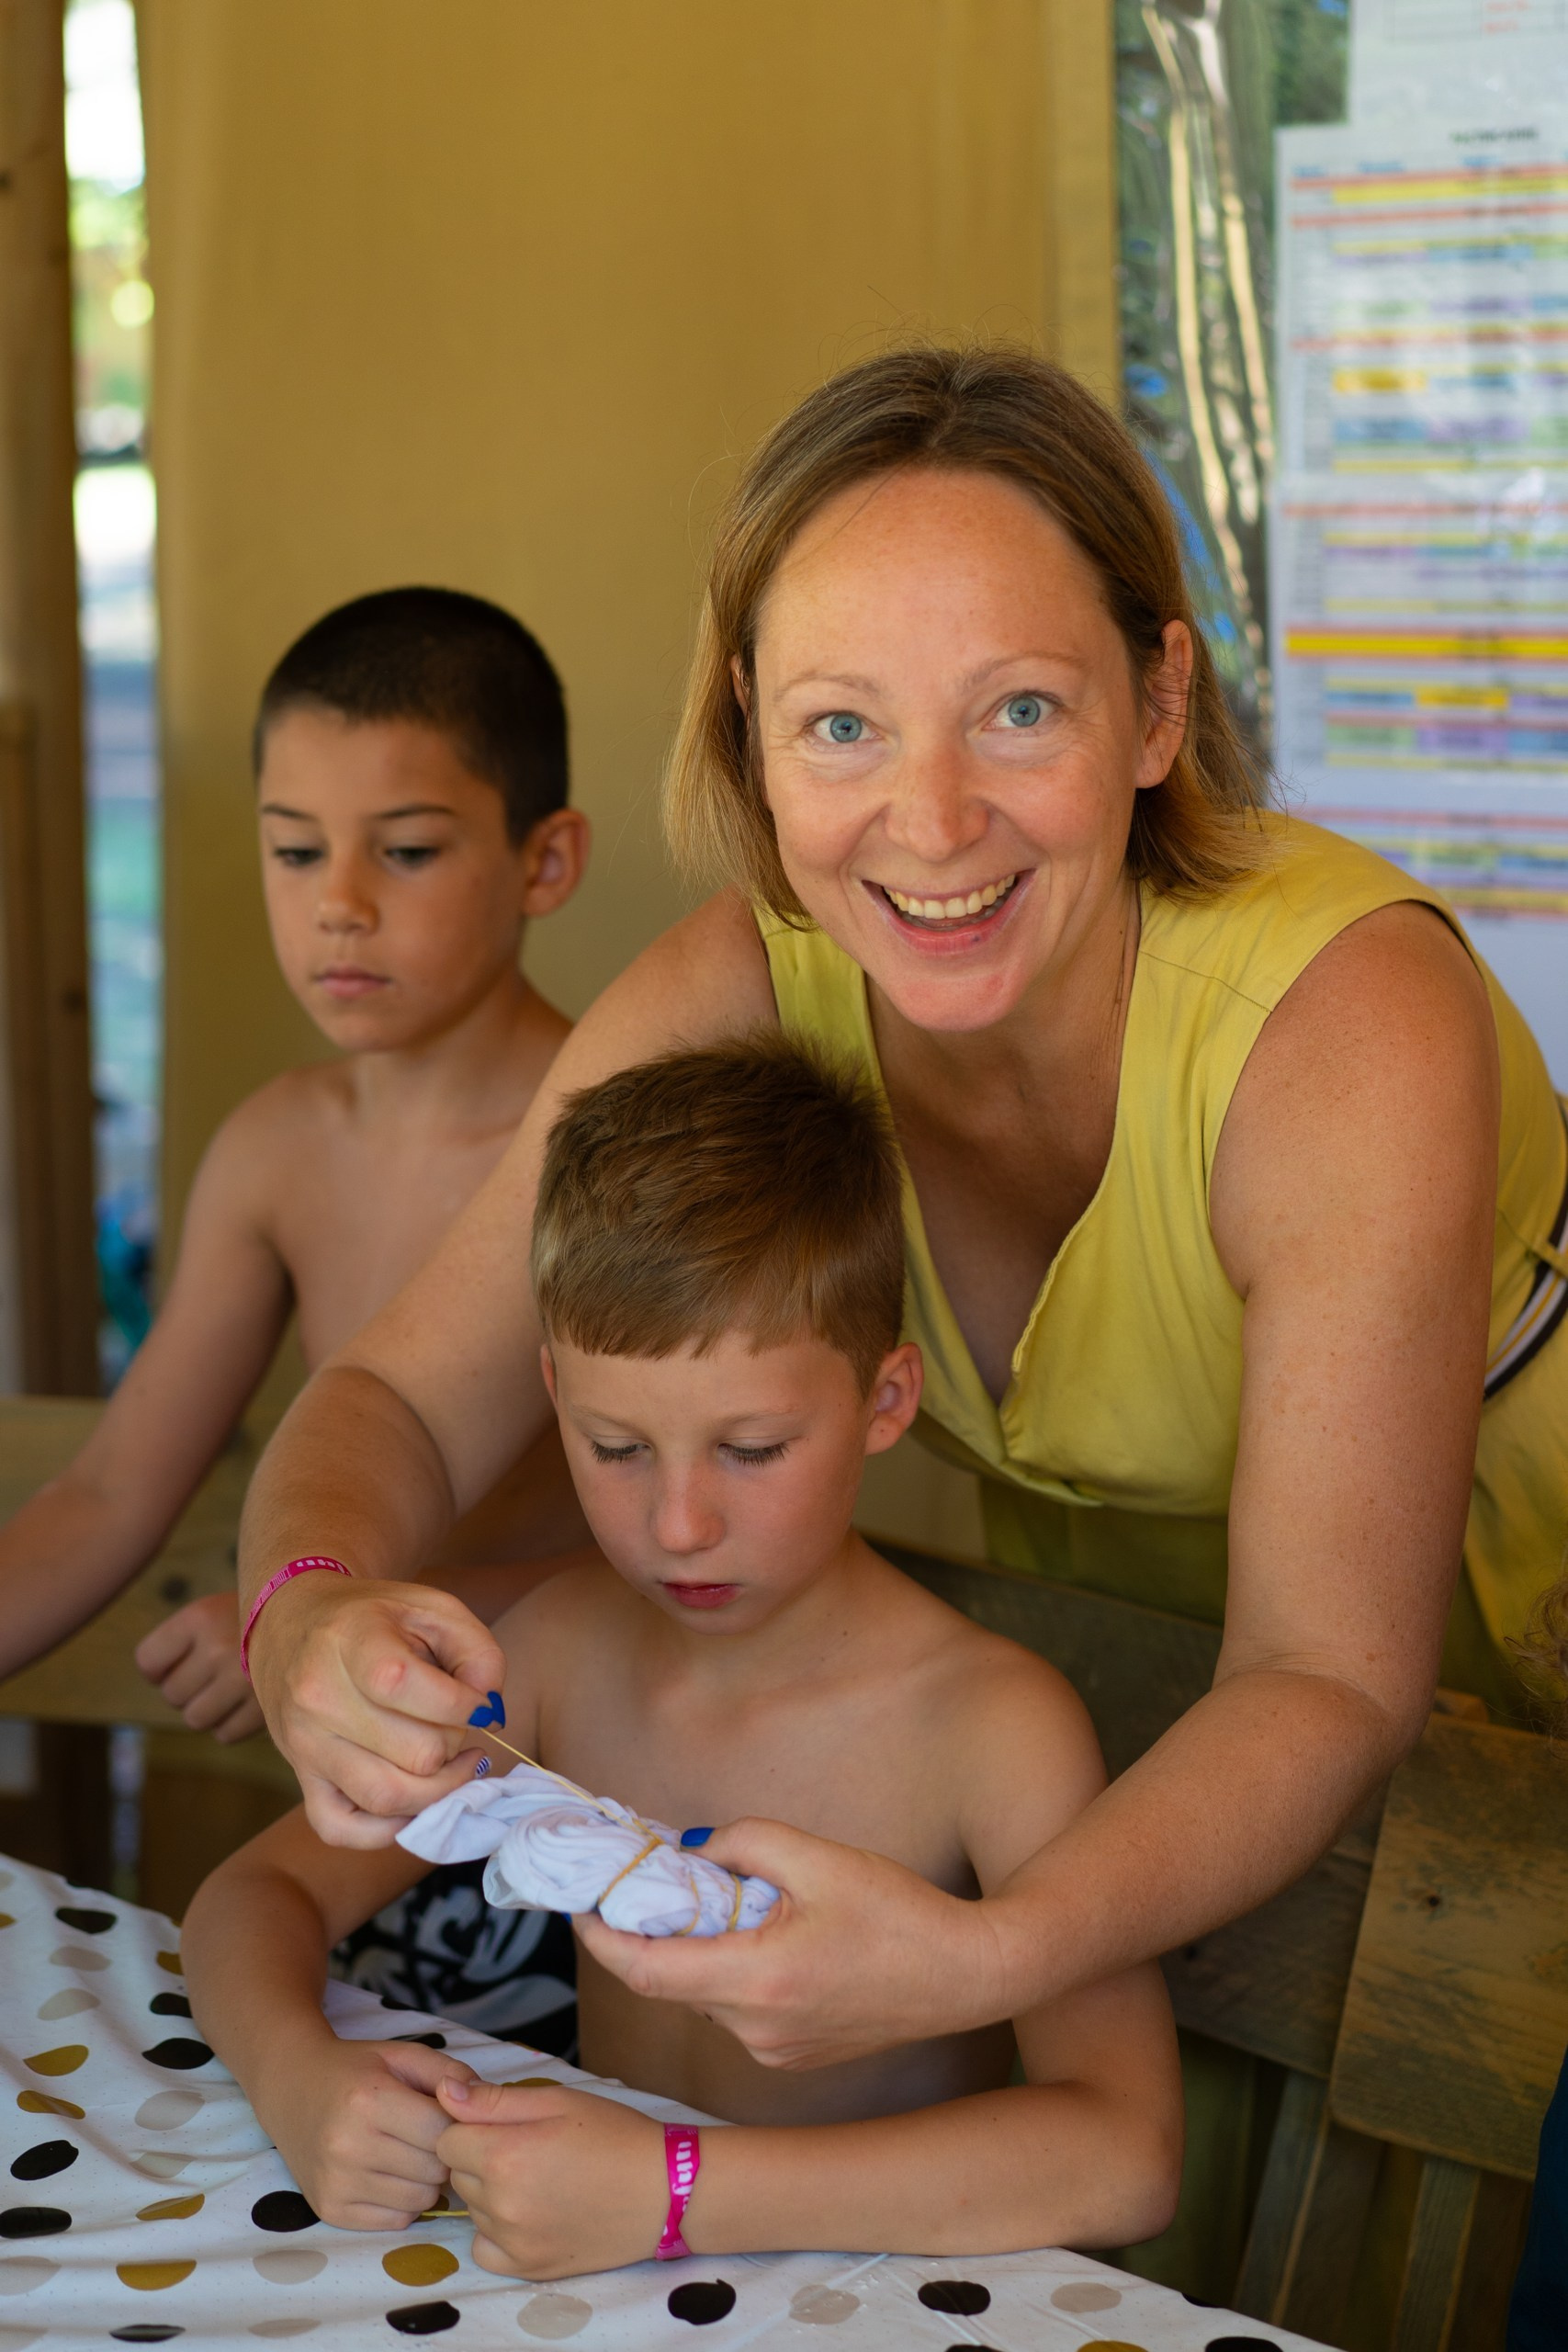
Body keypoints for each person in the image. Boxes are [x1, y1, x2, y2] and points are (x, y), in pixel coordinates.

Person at [231, 348, 1568, 2286]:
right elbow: (401, 1400)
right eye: (841, 727)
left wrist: (985, 1948)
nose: (926, 823)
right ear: (751, 739)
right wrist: (304, 1621)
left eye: (1015, 707)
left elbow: (1321, 1669)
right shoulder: (739, 981)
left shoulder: (1347, 1022)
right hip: (1165, 1734)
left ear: (1154, 704)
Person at [183, 1038, 1182, 2275]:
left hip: (875, 2293)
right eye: (614, 1446)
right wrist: (296, 2077)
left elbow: (1126, 2153)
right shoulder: (556, 1654)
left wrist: (677, 2192)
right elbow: (249, 1900)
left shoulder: (990, 1729)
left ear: (886, 1400)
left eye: (753, 1449)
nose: (678, 1526)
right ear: (552, 1389)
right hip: (596, 2281)